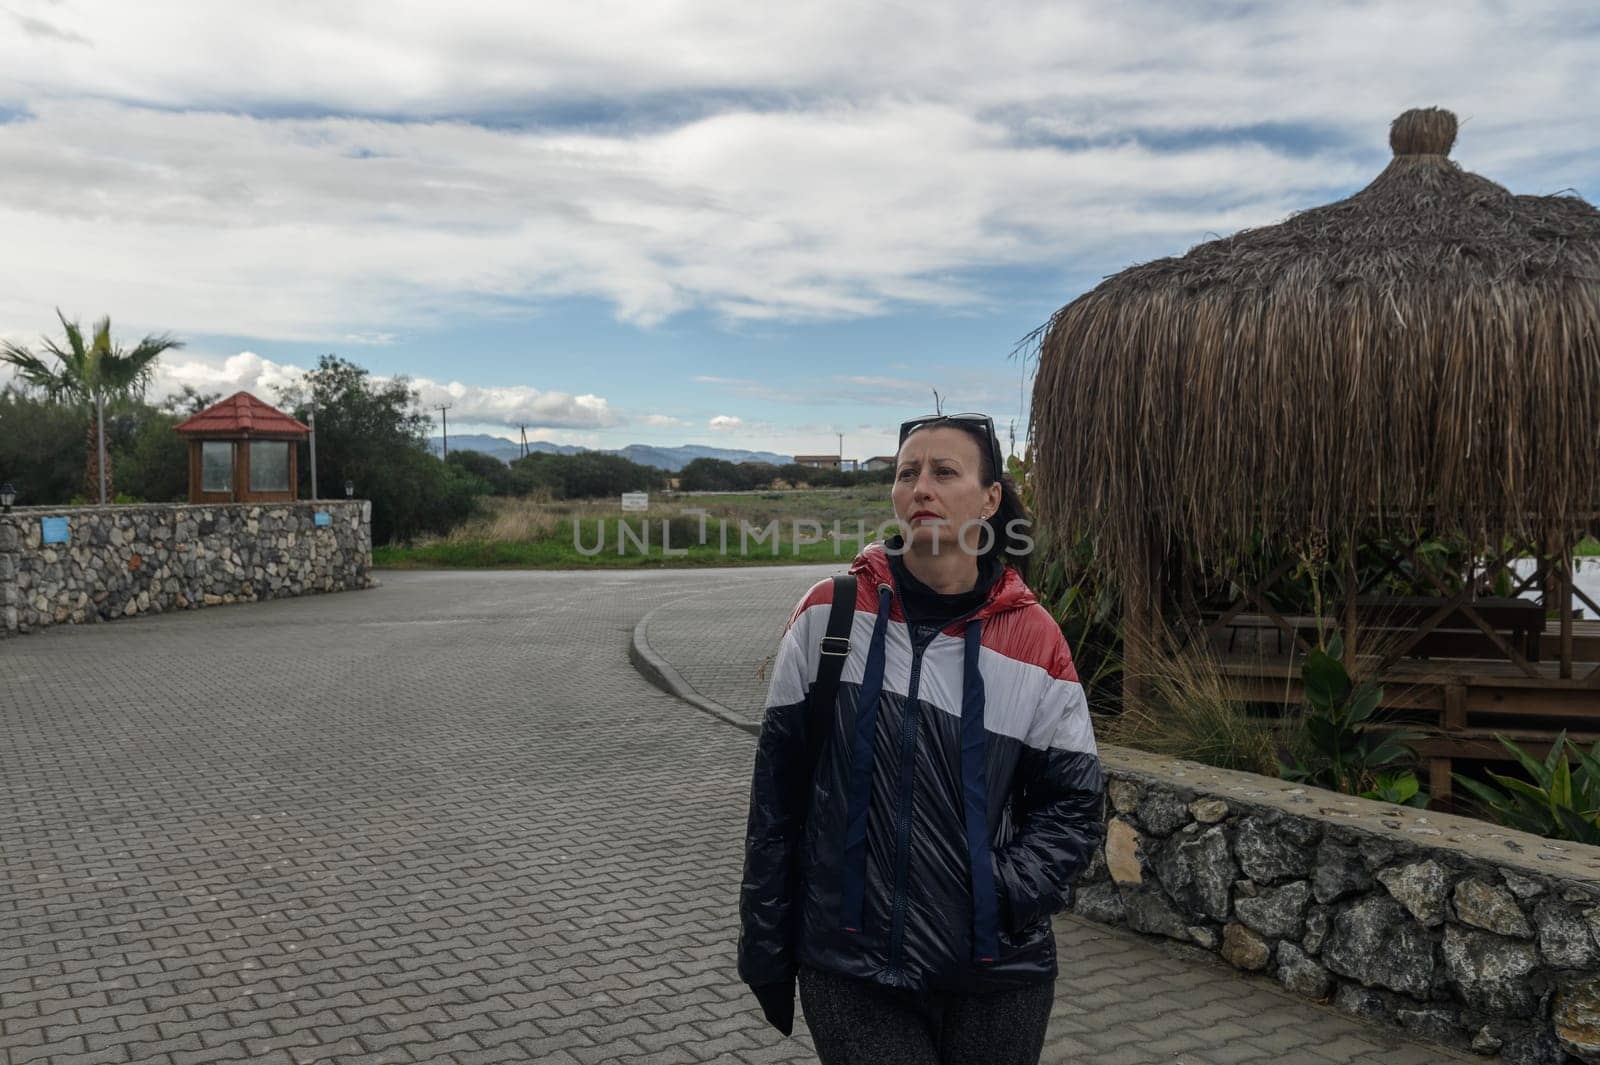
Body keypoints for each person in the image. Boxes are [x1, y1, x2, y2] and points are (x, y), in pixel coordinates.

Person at [738, 412, 1106, 1064]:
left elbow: (1073, 803)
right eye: (907, 473)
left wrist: (1004, 891)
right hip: (849, 964)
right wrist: (766, 944)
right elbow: (777, 796)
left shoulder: (1035, 639)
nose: (921, 488)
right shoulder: (829, 614)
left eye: (943, 471)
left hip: (995, 972)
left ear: (990, 499)